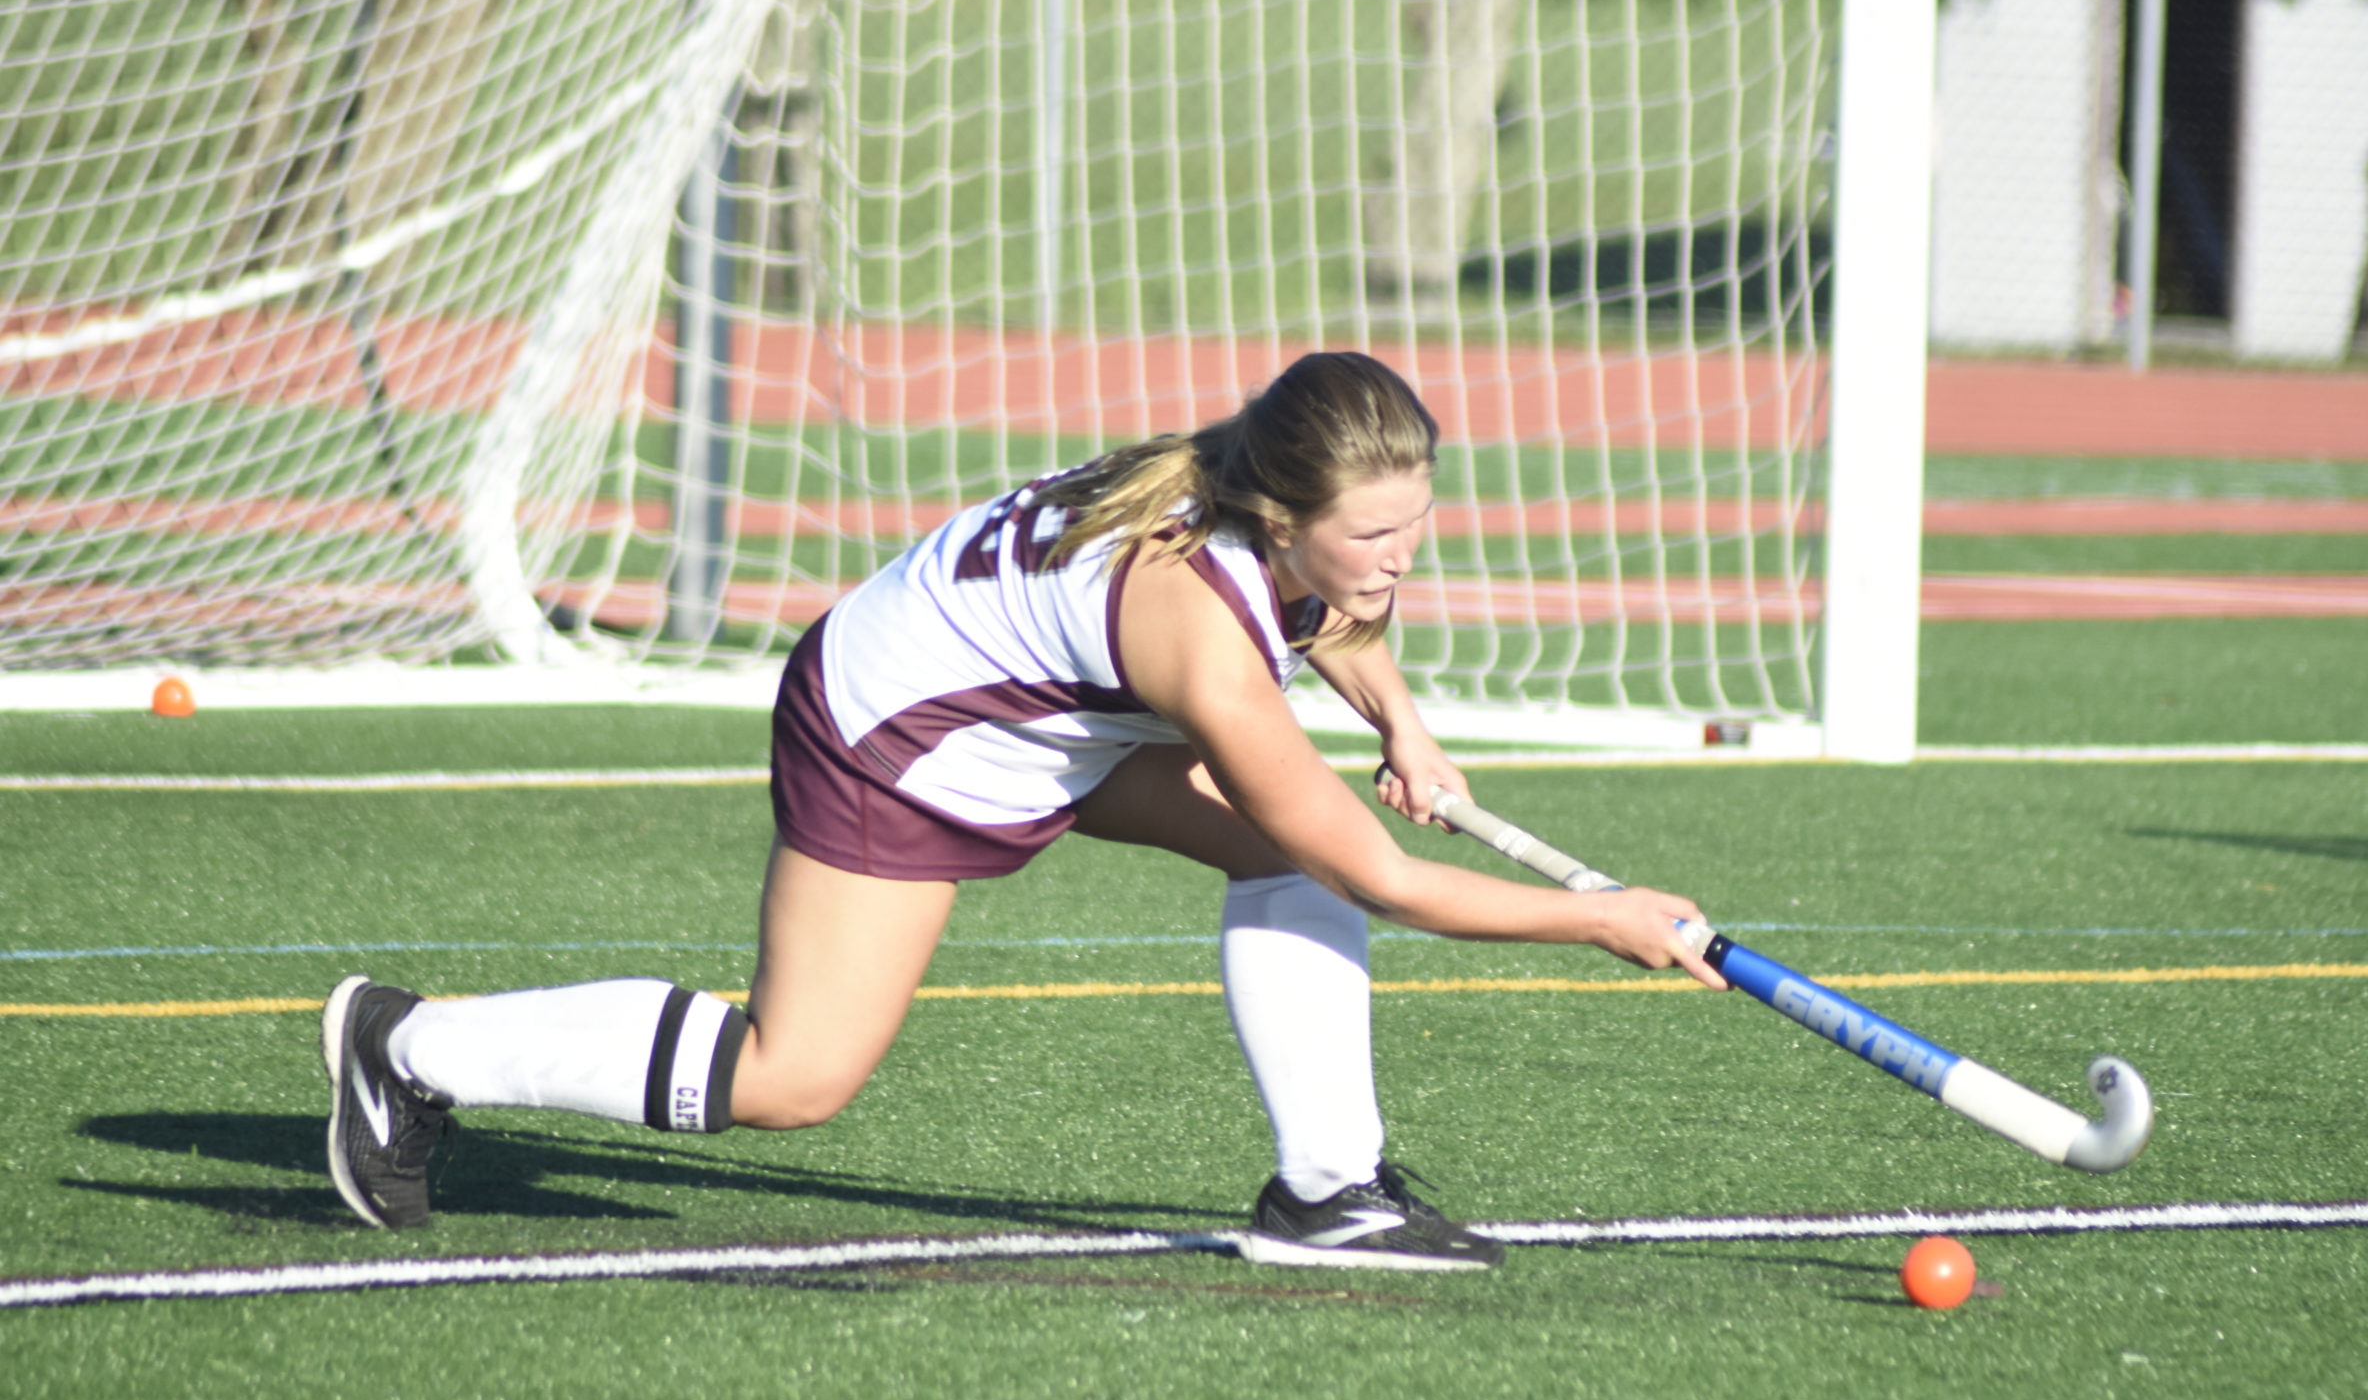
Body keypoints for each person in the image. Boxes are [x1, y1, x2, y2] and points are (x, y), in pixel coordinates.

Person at [323, 351, 1722, 1269]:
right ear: (1284, 514)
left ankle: (1327, 1191)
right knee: (796, 1076)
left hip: (1040, 721)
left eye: (1415, 527)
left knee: (1278, 857)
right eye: (1375, 536)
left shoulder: (1256, 502)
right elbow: (1380, 870)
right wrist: (1594, 918)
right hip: (900, 737)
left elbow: (1340, 614)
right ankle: (411, 1048)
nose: (1401, 562)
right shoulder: (1196, 625)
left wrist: (1404, 722)